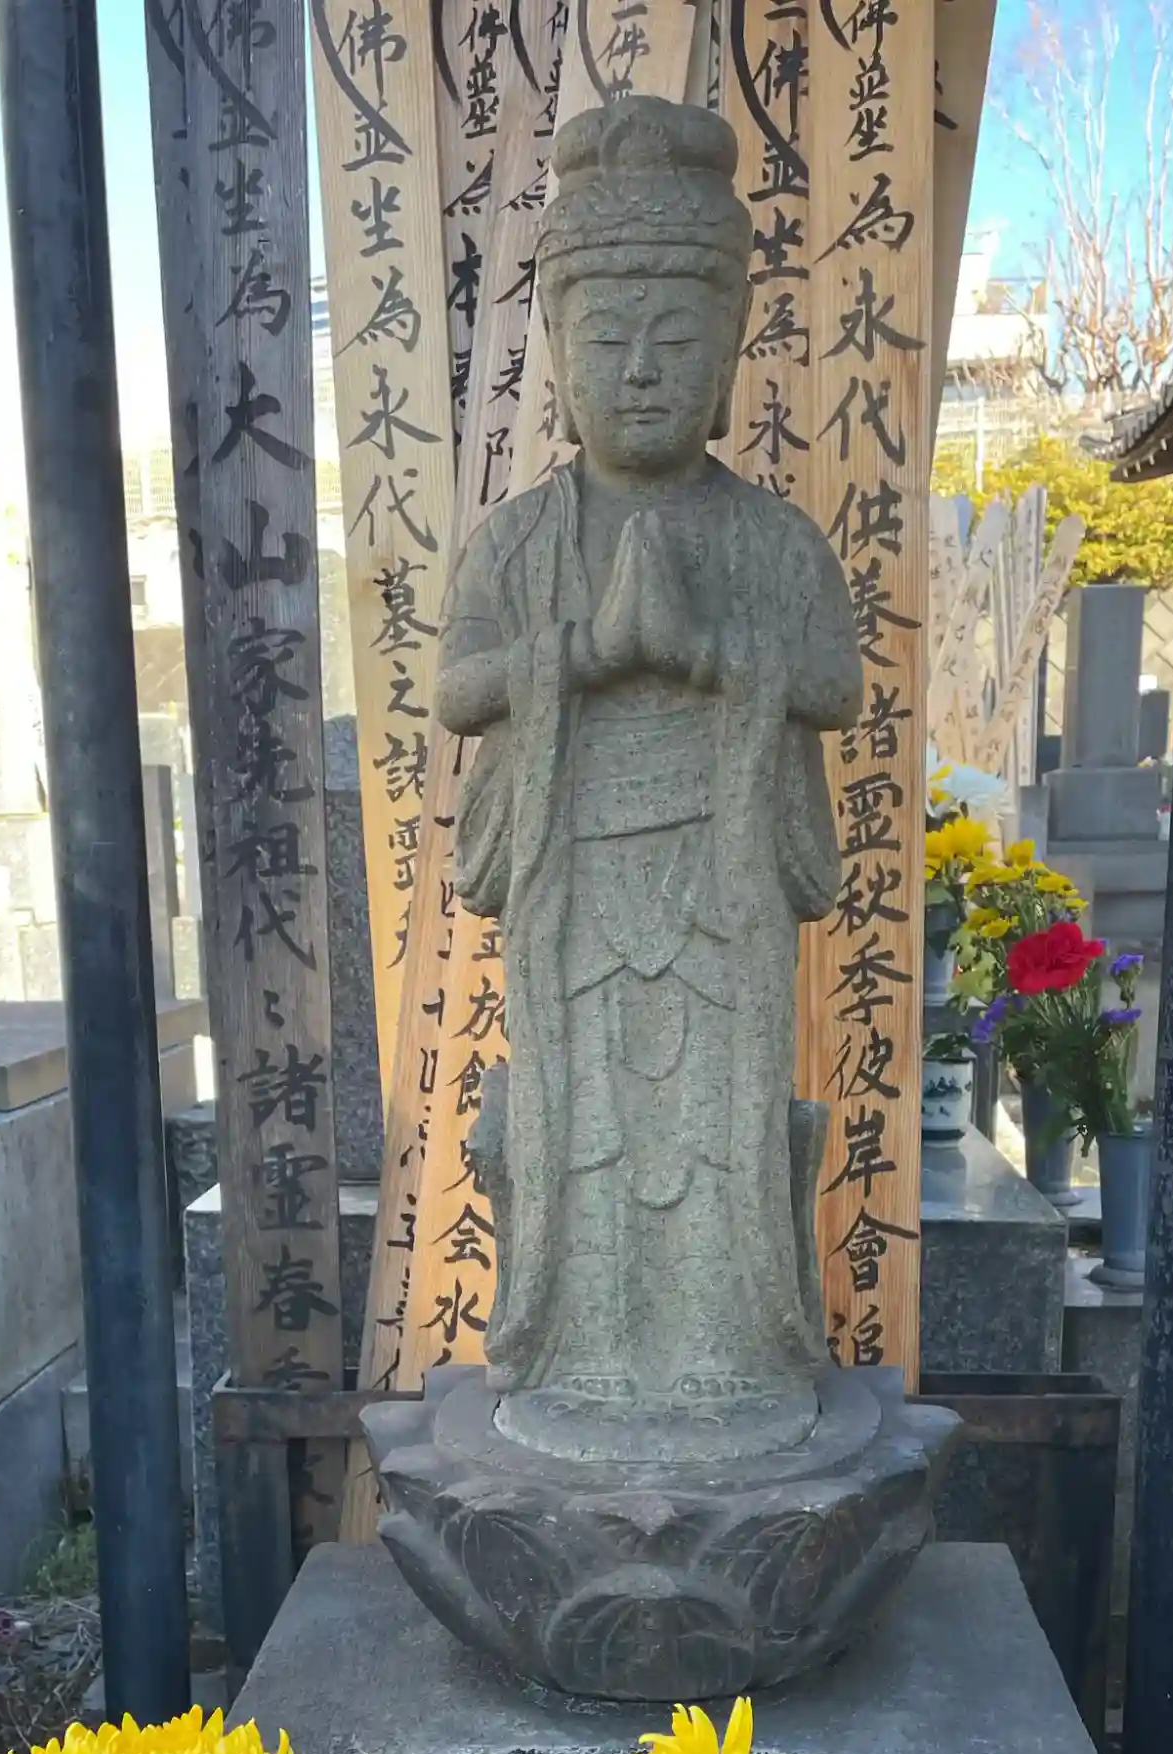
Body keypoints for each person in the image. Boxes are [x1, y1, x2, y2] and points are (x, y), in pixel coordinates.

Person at [435, 97, 862, 1462]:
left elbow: (835, 683)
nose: (639, 372)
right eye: (607, 341)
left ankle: (731, 1359)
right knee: (582, 1127)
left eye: (676, 343)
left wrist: (702, 650)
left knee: (721, 1120)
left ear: (729, 358)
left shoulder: (772, 539)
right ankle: (582, 1361)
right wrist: (587, 650)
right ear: (558, 359)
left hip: (723, 880)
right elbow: (457, 690)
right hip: (569, 880)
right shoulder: (514, 544)